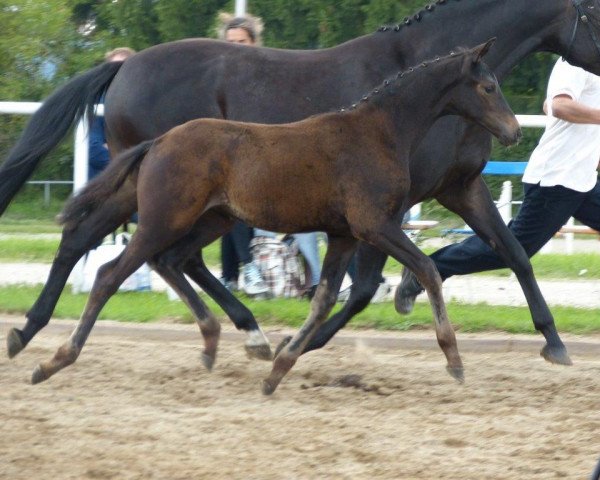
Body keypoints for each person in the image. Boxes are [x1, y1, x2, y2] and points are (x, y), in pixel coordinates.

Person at [397, 57, 600, 310]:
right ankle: (427, 269)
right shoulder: (575, 64)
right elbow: (559, 105)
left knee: (512, 247)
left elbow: (555, 108)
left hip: (582, 180)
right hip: (556, 181)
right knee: (511, 249)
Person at [217, 13, 269, 296]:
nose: (235, 47)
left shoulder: (264, 74)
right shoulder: (218, 77)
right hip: (230, 154)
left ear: (253, 42)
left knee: (237, 210)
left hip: (258, 151)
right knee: (229, 210)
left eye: (241, 41)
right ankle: (237, 272)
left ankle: (234, 274)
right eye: (230, 42)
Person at [88, 47, 136, 180]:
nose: (117, 73)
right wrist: (133, 163)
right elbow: (93, 150)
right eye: (113, 68)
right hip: (99, 187)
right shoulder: (97, 101)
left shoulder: (141, 105)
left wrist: (112, 148)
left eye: (122, 67)